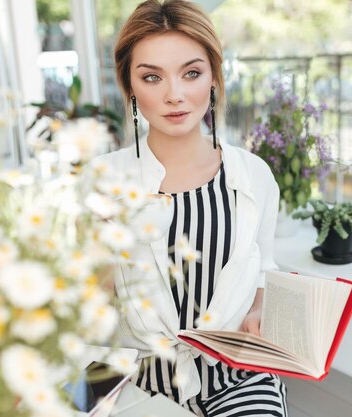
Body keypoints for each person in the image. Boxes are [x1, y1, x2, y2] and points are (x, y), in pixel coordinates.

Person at [99, 1, 287, 415]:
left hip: (237, 377)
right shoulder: (101, 180)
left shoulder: (253, 176)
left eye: (191, 73)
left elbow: (262, 271)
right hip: (138, 382)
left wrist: (261, 309)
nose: (175, 95)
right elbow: (83, 302)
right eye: (152, 77)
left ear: (214, 78)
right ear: (129, 87)